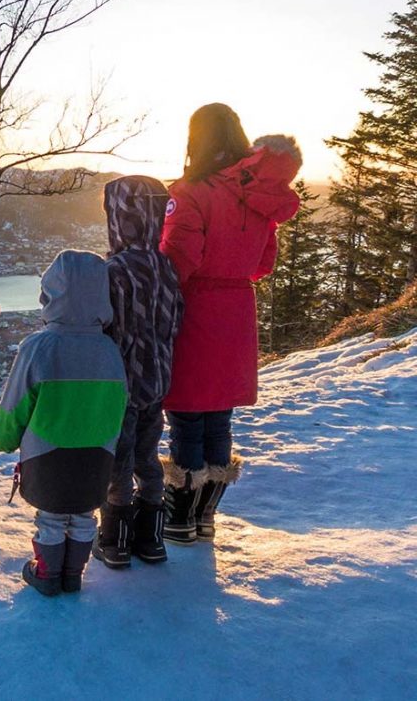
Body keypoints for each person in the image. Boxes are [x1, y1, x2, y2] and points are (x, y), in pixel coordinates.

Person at [160, 103, 302, 544]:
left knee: (185, 415)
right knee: (218, 418)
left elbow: (179, 260)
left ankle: (179, 517)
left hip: (196, 309)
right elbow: (264, 262)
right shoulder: (256, 193)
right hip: (237, 310)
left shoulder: (191, 191)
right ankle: (204, 518)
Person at [0, 250, 128, 596]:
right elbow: (119, 404)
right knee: (83, 514)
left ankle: (47, 573)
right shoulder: (109, 350)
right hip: (97, 453)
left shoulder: (39, 347)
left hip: (47, 453)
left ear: (50, 294)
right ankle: (73, 573)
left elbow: (15, 402)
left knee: (50, 516)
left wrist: (4, 439)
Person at [93, 176, 183, 569]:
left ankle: (115, 539)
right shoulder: (166, 267)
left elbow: (104, 327)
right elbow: (176, 320)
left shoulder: (113, 270)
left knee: (119, 460)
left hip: (121, 383)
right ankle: (152, 538)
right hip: (158, 377)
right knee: (148, 457)